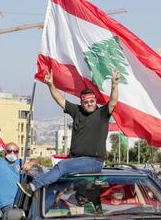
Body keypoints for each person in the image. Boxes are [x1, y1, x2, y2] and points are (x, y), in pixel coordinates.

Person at [19, 69, 120, 197]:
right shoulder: (77, 111)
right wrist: (51, 84)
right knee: (56, 187)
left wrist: (114, 85)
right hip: (75, 161)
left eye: (92, 101)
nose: (89, 104)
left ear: (95, 101)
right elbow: (60, 100)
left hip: (93, 161)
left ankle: (32, 186)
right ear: (81, 103)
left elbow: (113, 102)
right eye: (86, 102)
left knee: (62, 166)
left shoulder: (102, 114)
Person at [0, 127, 39, 215]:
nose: (12, 153)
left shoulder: (21, 162)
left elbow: (37, 161)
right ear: (5, 152)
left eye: (15, 151)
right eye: (9, 151)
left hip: (22, 202)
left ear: (18, 153)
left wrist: (31, 162)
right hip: (7, 204)